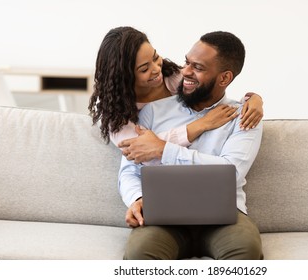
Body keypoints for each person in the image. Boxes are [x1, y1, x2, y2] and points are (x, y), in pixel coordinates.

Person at [118, 31, 263, 260]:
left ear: (224, 78)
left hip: (222, 216)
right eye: (186, 62)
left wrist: (164, 150)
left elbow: (230, 172)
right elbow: (129, 169)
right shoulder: (153, 112)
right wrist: (136, 198)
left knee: (245, 250)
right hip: (164, 214)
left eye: (198, 67)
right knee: (140, 253)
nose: (185, 71)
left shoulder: (244, 116)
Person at [88, 27, 264, 153]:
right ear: (124, 77)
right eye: (144, 69)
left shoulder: (173, 77)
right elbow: (137, 149)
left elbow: (213, 88)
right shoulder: (117, 115)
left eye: (156, 57)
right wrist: (200, 125)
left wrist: (253, 99)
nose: (156, 69)